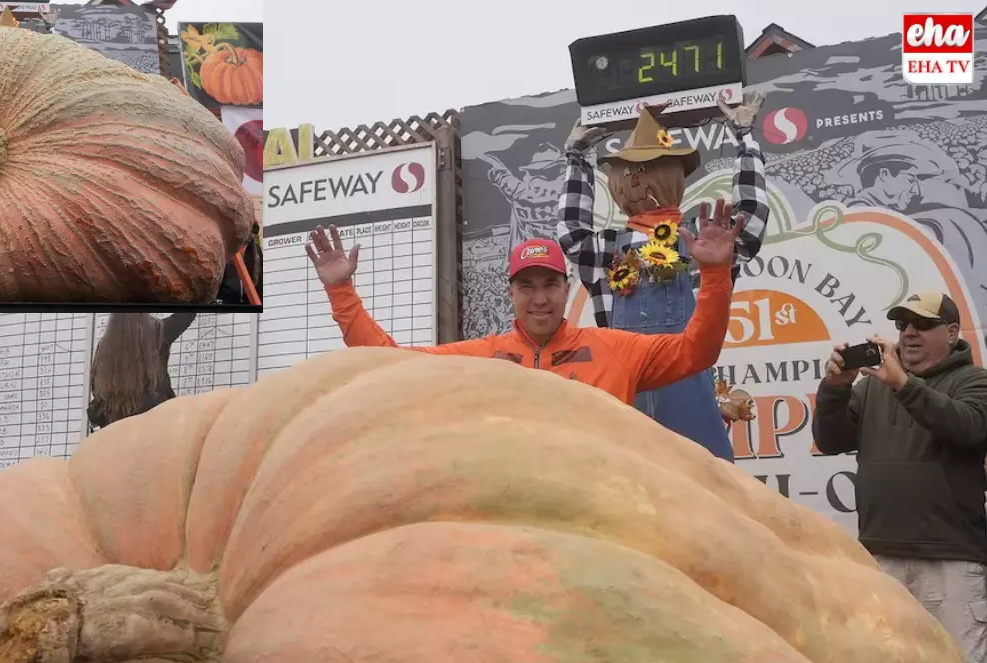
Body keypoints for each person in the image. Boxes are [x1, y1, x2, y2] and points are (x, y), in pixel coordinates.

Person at [304, 203, 741, 405]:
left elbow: (696, 352)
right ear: (510, 293)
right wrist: (342, 292)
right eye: (527, 287)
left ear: (567, 289)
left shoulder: (616, 351)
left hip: (603, 519)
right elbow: (389, 363)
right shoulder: (481, 358)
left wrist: (716, 274)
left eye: (549, 285)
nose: (539, 299)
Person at [555, 94, 769, 460]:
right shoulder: (607, 250)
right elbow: (571, 230)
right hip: (624, 404)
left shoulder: (701, 237)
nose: (626, 181)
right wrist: (577, 160)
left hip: (692, 400)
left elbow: (749, 221)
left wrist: (745, 138)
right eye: (621, 172)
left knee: (705, 495)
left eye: (636, 171)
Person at [812, 292, 987, 663]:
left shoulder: (973, 380)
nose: (909, 333)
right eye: (902, 324)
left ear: (953, 332)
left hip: (950, 558)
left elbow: (969, 428)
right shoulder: (872, 386)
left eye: (922, 325)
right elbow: (831, 440)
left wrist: (904, 385)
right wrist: (835, 388)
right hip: (881, 557)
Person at [88, 312, 197, 429]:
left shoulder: (104, 346)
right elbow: (187, 313)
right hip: (155, 423)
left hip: (114, 426)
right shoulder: (158, 332)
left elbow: (96, 388)